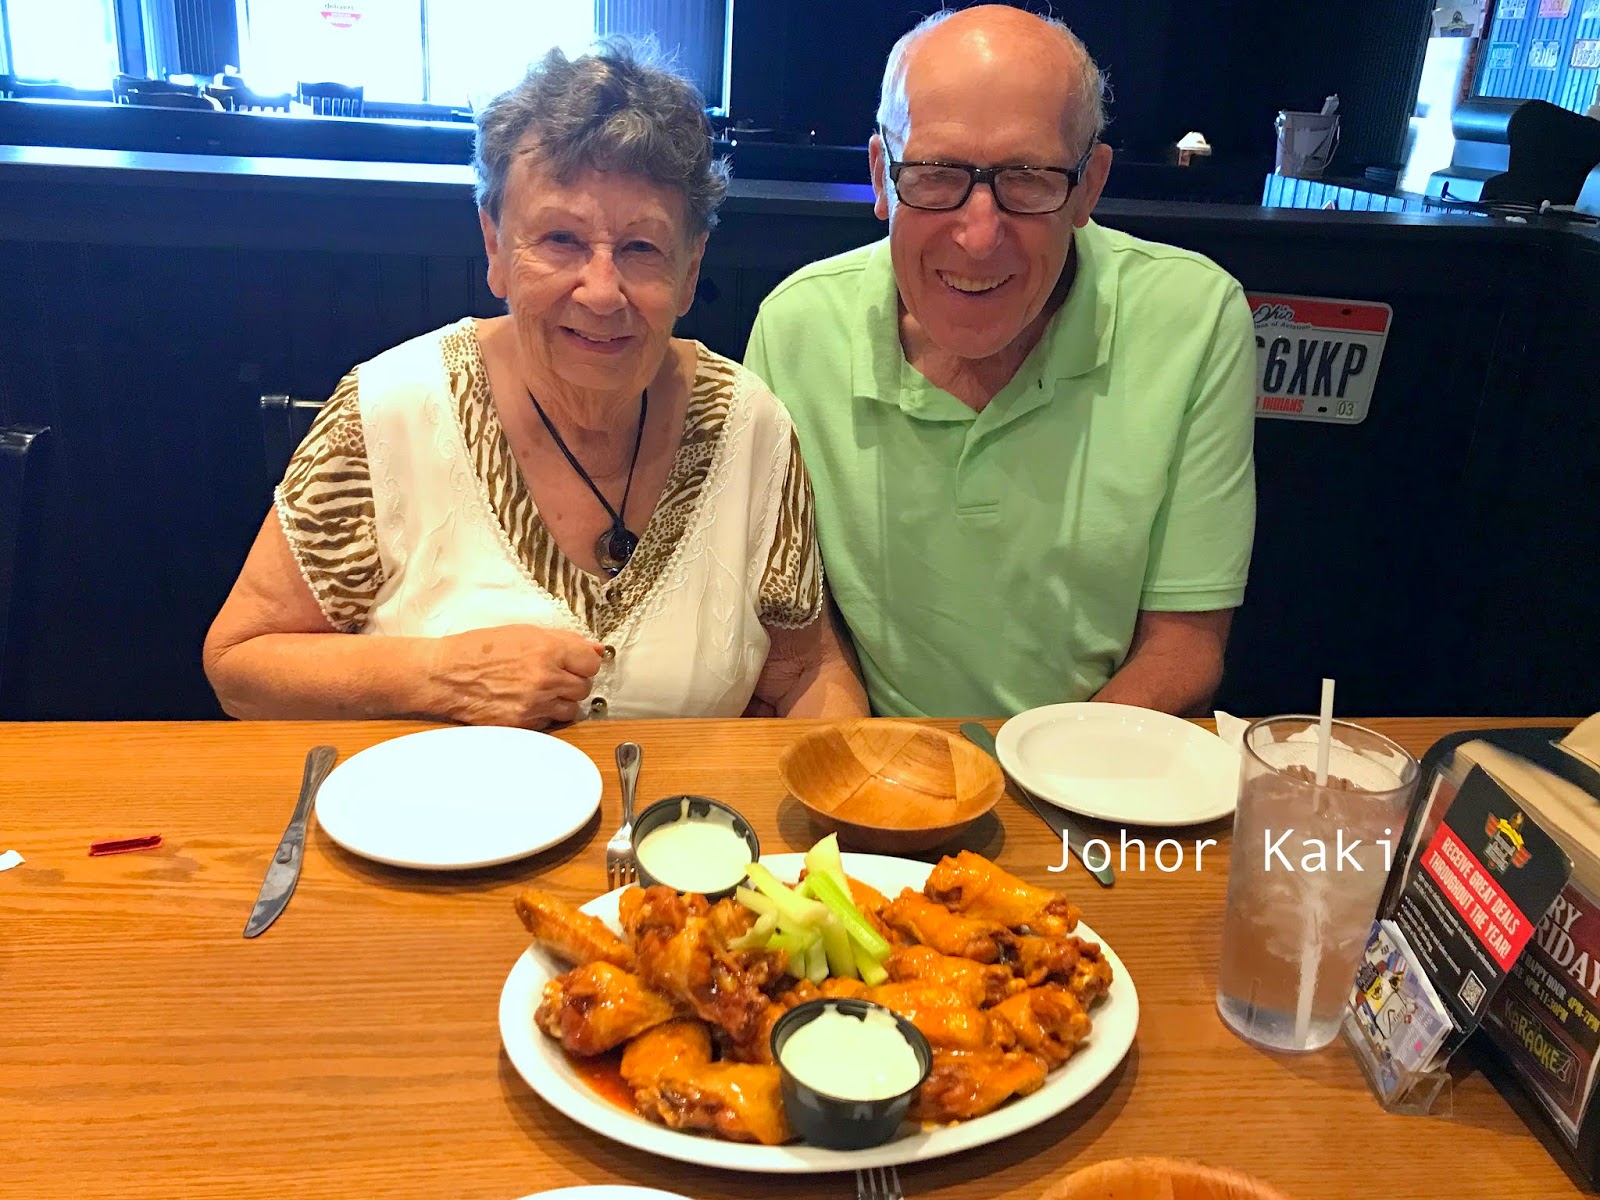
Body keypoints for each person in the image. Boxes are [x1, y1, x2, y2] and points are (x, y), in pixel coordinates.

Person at [204, 42, 867, 726]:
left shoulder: (749, 426)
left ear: (690, 270)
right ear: (494, 246)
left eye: (641, 248)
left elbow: (805, 670)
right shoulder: (387, 412)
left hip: (679, 800)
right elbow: (239, 665)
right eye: (560, 240)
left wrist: (845, 781)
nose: (602, 291)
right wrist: (440, 676)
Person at [744, 6, 1255, 719]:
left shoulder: (1195, 318)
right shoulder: (795, 328)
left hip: (1096, 763)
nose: (979, 236)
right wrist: (871, 765)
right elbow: (801, 628)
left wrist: (1044, 768)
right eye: (934, 173)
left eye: (1028, 178)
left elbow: (1184, 650)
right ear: (882, 177)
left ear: (1089, 186)